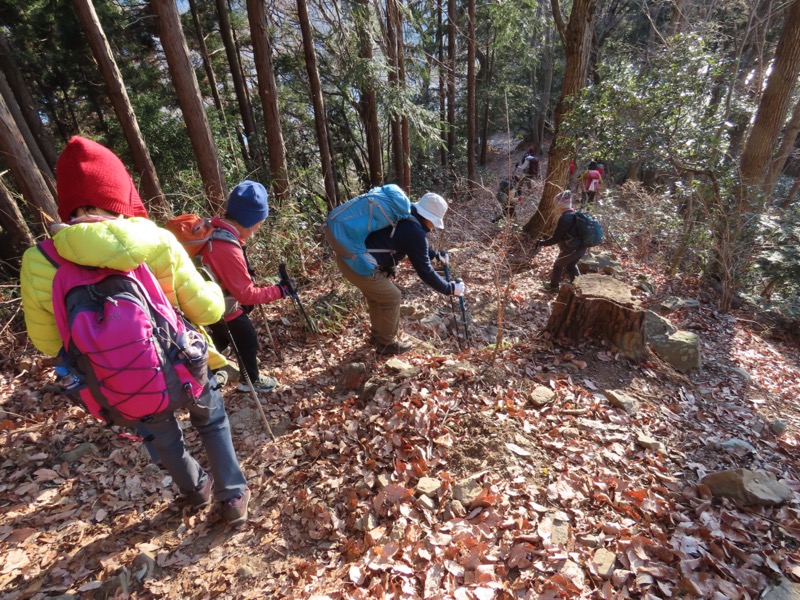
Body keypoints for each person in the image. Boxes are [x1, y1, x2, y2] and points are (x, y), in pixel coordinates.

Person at [20, 136, 251, 525]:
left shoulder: (40, 260)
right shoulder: (155, 239)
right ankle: (232, 497)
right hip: (184, 365)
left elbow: (47, 343)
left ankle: (196, 490)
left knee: (162, 436)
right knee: (211, 421)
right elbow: (208, 310)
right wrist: (212, 287)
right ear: (119, 193)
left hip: (120, 381)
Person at [335, 192, 465, 356]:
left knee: (377, 298)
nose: (433, 227)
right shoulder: (415, 231)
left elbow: (412, 245)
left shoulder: (405, 213)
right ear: (430, 218)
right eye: (434, 223)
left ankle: (376, 337)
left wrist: (435, 255)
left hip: (348, 257)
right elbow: (425, 271)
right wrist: (450, 288)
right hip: (358, 265)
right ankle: (386, 344)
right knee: (392, 296)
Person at [195, 181, 295, 394]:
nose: (260, 226)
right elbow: (246, 295)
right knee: (246, 338)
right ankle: (250, 382)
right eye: (260, 221)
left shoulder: (215, 229)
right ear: (249, 220)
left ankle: (199, 368)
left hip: (204, 302)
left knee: (220, 338)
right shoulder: (226, 246)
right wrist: (281, 291)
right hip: (222, 306)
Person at [535, 190, 587, 291]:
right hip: (582, 247)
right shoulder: (575, 214)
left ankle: (553, 287)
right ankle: (578, 288)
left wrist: (541, 243)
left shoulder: (565, 218)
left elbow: (555, 239)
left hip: (572, 248)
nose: (555, 207)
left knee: (558, 266)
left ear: (560, 205)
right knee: (571, 265)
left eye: (556, 205)